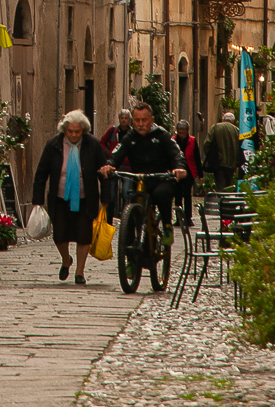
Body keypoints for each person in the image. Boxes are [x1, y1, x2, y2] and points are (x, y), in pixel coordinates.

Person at [31, 110, 108, 285]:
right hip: (59, 198)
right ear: (64, 130)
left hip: (84, 197)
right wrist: (37, 199)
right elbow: (42, 173)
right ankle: (66, 260)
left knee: (83, 235)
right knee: (59, 235)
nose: (73, 135)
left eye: (77, 131)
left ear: (84, 131)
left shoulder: (93, 145)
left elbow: (103, 172)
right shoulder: (54, 145)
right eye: (70, 131)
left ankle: (79, 272)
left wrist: (105, 197)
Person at [102, 100, 186, 244]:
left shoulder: (162, 135)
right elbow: (116, 154)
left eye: (144, 120)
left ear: (151, 120)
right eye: (137, 120)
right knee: (130, 213)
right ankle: (130, 255)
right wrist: (109, 165)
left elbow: (177, 154)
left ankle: (167, 226)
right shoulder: (130, 137)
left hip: (161, 178)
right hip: (138, 179)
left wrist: (179, 167)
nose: (140, 124)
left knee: (162, 195)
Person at [98, 109, 131, 219]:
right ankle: (109, 218)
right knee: (111, 194)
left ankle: (125, 217)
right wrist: (108, 153)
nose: (124, 120)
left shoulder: (132, 133)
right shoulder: (113, 131)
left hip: (128, 167)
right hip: (113, 166)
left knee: (126, 193)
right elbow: (102, 142)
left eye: (126, 118)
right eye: (122, 118)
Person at [204, 108, 244, 190]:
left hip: (218, 162)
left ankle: (221, 201)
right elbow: (239, 149)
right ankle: (227, 201)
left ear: (223, 119)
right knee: (228, 186)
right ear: (233, 121)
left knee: (220, 185)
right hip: (231, 164)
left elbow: (207, 143)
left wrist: (209, 156)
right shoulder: (237, 131)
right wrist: (236, 163)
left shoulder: (215, 127)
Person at [173, 118, 203, 226]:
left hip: (189, 170)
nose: (181, 135)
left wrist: (200, 175)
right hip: (176, 170)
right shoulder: (173, 140)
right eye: (179, 132)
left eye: (183, 133)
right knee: (177, 194)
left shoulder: (192, 140)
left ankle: (188, 218)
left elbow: (197, 158)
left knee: (187, 194)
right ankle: (178, 218)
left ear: (187, 131)